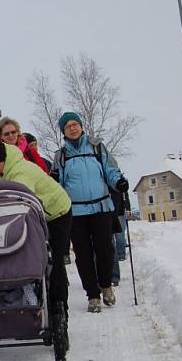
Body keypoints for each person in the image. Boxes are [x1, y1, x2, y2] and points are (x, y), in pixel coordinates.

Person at [0, 139, 73, 318]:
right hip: (32, 215)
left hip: (56, 212)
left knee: (53, 260)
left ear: (3, 159)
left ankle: (59, 311)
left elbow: (21, 204)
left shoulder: (21, 172)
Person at [51, 112, 128, 313]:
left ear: (81, 126)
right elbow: (57, 183)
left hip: (101, 208)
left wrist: (118, 181)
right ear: (63, 131)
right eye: (68, 126)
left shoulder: (97, 146)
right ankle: (92, 294)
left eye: (75, 124)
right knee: (83, 255)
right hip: (75, 213)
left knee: (105, 250)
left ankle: (106, 286)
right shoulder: (61, 156)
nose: (73, 128)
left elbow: (110, 170)